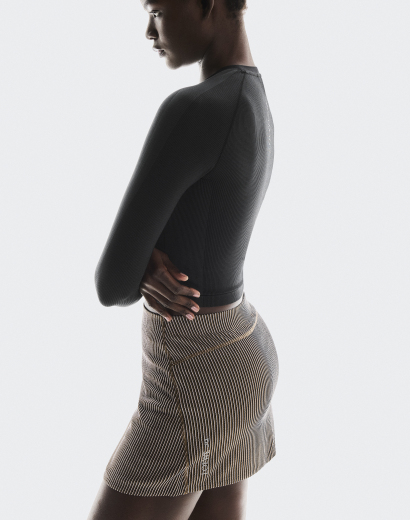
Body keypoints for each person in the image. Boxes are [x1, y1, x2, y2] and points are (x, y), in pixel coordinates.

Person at [88, 0, 278, 518]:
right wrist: (148, 258)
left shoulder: (195, 109)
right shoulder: (252, 95)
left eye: (156, 11)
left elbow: (112, 283)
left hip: (196, 376)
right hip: (243, 352)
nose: (150, 31)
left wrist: (142, 261)